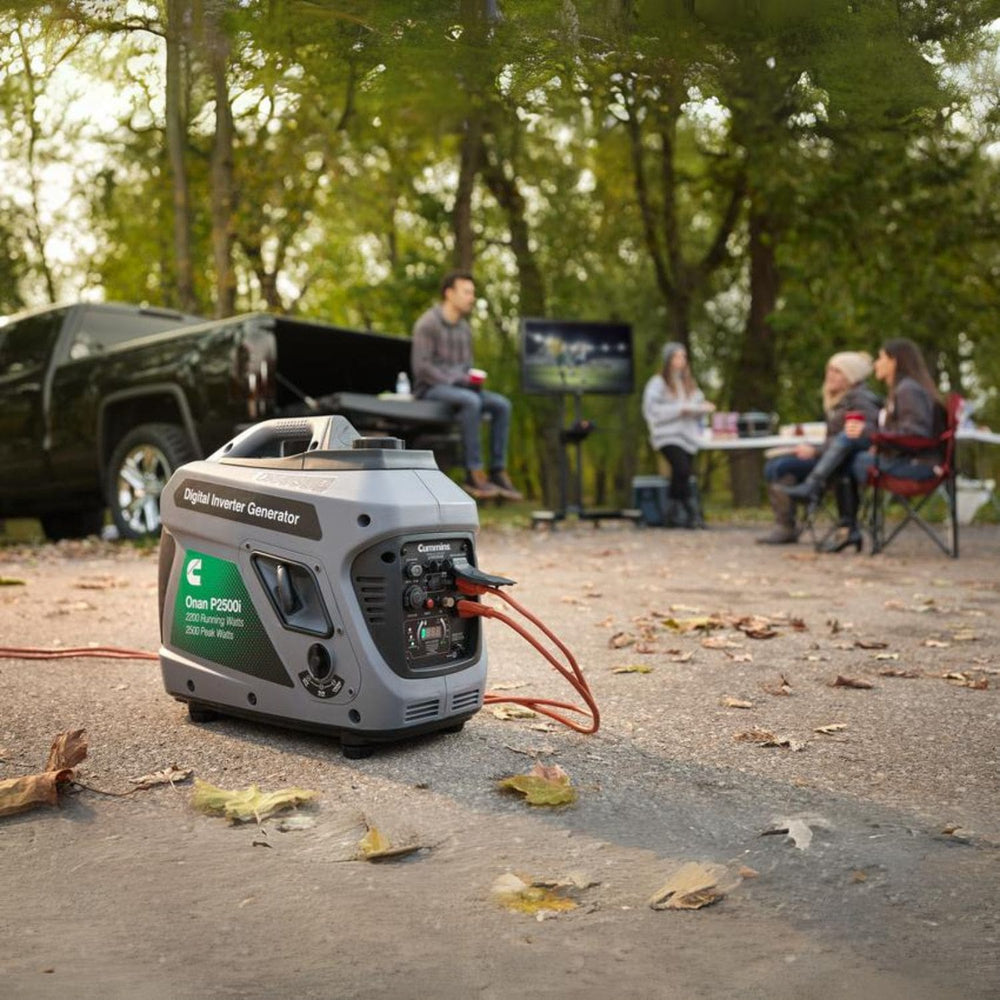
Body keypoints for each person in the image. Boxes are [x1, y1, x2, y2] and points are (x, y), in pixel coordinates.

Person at [411, 271, 523, 501]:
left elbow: (466, 366)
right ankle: (473, 472)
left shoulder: (464, 329)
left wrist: (471, 381)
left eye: (473, 292)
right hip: (430, 390)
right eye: (467, 292)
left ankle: (497, 471)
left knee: (502, 405)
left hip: (460, 389)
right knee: (470, 401)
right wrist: (457, 382)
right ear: (449, 293)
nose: (472, 297)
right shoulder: (427, 323)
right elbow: (422, 368)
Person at [758, 351, 880, 549]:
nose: (830, 375)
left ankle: (789, 521)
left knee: (781, 466)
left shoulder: (860, 399)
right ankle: (785, 524)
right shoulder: (842, 399)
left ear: (851, 375)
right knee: (775, 465)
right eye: (829, 370)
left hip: (841, 465)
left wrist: (815, 451)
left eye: (837, 371)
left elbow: (860, 436)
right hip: (831, 459)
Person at [848, 338, 944, 488]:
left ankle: (838, 506)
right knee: (852, 456)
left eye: (881, 358)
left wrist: (870, 433)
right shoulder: (904, 389)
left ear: (894, 361)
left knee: (852, 460)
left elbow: (914, 433)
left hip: (919, 465)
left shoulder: (908, 390)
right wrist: (882, 445)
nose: (876, 364)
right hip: (913, 460)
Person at [641, 341, 715, 528]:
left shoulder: (688, 384)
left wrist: (702, 409)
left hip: (688, 437)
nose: (681, 360)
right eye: (677, 356)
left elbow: (696, 406)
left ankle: (675, 515)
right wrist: (680, 410)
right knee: (682, 469)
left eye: (683, 356)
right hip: (667, 436)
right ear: (668, 360)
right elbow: (652, 411)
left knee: (681, 475)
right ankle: (690, 512)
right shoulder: (657, 383)